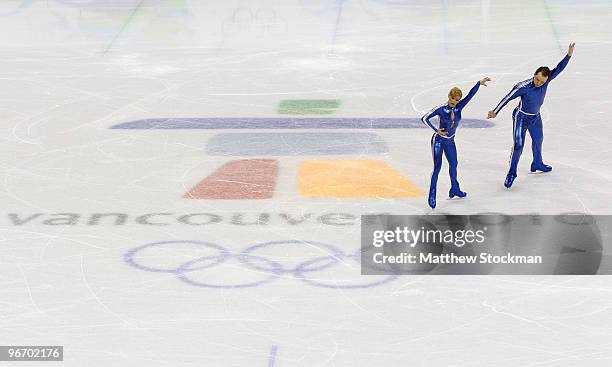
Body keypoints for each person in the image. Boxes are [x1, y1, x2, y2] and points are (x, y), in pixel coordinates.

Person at [487, 43, 575, 188]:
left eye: (542, 82)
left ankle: (537, 163)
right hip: (521, 117)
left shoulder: (547, 81)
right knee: (518, 145)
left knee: (538, 140)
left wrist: (569, 55)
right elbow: (507, 97)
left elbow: (559, 68)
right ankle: (511, 173)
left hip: (535, 117)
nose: (539, 83)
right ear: (534, 74)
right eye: (537, 79)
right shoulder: (523, 86)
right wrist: (495, 111)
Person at [421, 77, 491, 209]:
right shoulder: (441, 109)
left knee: (454, 165)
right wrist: (436, 130)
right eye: (453, 99)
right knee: (437, 167)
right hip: (439, 141)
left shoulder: (459, 107)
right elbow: (424, 118)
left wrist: (478, 84)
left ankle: (454, 189)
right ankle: (432, 194)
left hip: (450, 141)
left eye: (457, 100)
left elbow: (470, 95)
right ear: (449, 96)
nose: (454, 102)